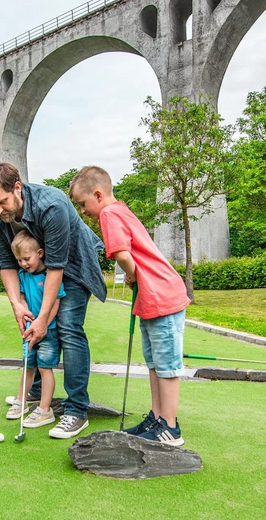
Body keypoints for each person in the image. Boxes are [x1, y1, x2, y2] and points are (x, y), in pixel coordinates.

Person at [0, 162, 106, 440]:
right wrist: (17, 304)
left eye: (2, 202)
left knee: (68, 328)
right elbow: (6, 263)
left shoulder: (52, 206)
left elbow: (57, 267)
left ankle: (76, 410)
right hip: (37, 270)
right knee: (31, 325)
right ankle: (36, 391)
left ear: (18, 188)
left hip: (73, 266)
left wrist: (44, 318)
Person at [69, 166, 190, 446]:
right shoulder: (121, 209)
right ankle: (158, 418)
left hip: (161, 295)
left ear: (98, 195)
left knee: (167, 366)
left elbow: (123, 255)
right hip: (152, 297)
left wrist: (133, 274)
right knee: (154, 363)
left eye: (83, 204)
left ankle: (170, 428)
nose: (83, 211)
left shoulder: (109, 214)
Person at [6, 231, 65, 429]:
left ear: (39, 253)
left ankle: (45, 410)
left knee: (44, 368)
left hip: (49, 331)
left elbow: (55, 302)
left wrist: (44, 324)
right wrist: (27, 318)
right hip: (29, 331)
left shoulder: (50, 275)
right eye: (19, 260)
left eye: (26, 258)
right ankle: (21, 402)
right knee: (28, 366)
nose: (23, 263)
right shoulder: (22, 275)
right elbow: (22, 298)